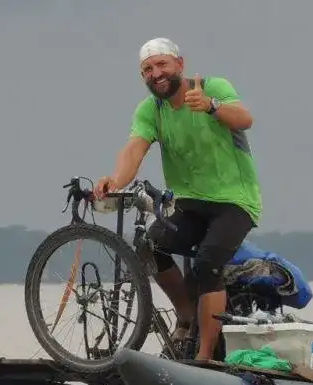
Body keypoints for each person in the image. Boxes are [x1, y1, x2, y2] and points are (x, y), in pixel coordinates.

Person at [93, 38, 261, 361]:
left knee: (208, 263)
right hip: (191, 204)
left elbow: (245, 119)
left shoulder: (212, 87)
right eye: (147, 69)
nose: (155, 74)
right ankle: (187, 317)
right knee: (148, 246)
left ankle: (204, 357)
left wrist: (212, 106)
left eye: (162, 65)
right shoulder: (150, 110)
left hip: (235, 202)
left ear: (179, 65)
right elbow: (134, 149)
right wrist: (114, 181)